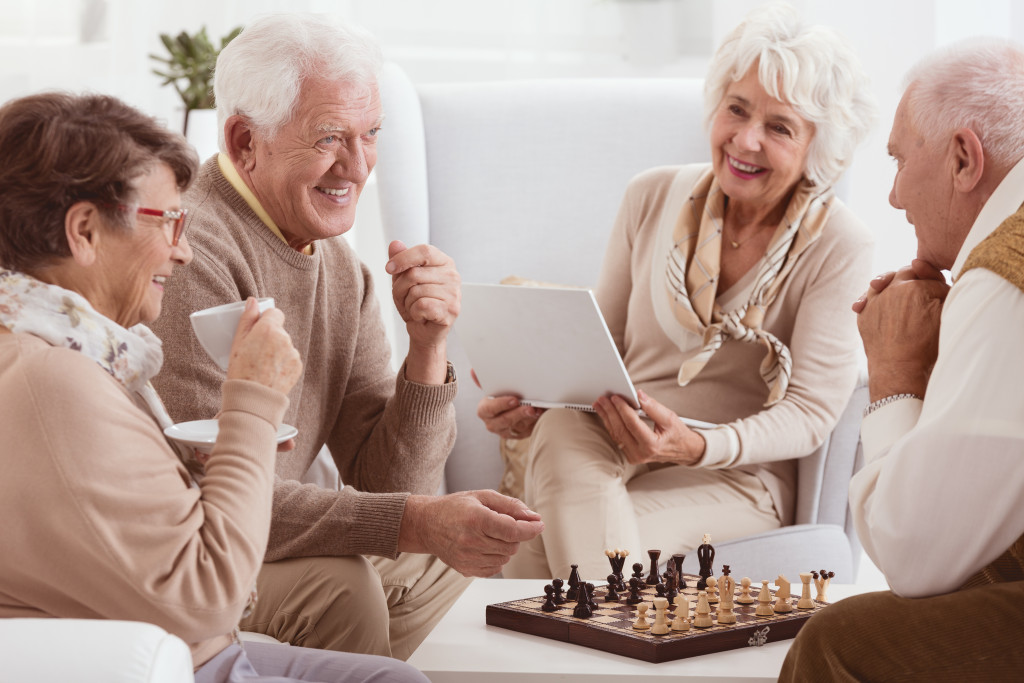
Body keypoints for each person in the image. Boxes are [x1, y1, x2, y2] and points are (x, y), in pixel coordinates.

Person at [149, 13, 544, 660]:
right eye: (332, 137)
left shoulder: (341, 270)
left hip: (256, 533)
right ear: (245, 140)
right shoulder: (190, 250)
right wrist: (415, 520)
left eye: (371, 135)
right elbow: (215, 496)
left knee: (459, 556)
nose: (358, 167)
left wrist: (427, 347)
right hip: (192, 547)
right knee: (345, 587)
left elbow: (387, 477)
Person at [0, 92, 428, 683]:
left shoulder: (58, 350)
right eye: (170, 221)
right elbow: (211, 598)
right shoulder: (55, 379)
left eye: (372, 133)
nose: (183, 249)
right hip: (161, 654)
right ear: (85, 232)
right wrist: (252, 404)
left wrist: (427, 348)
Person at [482, 3, 878, 580]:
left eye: (779, 127)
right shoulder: (649, 196)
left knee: (549, 544)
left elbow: (812, 413)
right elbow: (601, 349)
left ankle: (589, 647)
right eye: (736, 110)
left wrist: (694, 446)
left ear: (820, 147)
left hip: (734, 479)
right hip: (614, 446)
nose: (745, 140)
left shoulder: (839, 242)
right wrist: (534, 401)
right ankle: (620, 651)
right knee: (564, 428)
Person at [780, 38, 1024, 681]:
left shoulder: (1004, 275)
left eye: (898, 160)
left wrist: (894, 374)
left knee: (841, 640)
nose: (892, 196)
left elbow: (914, 556)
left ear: (965, 159)